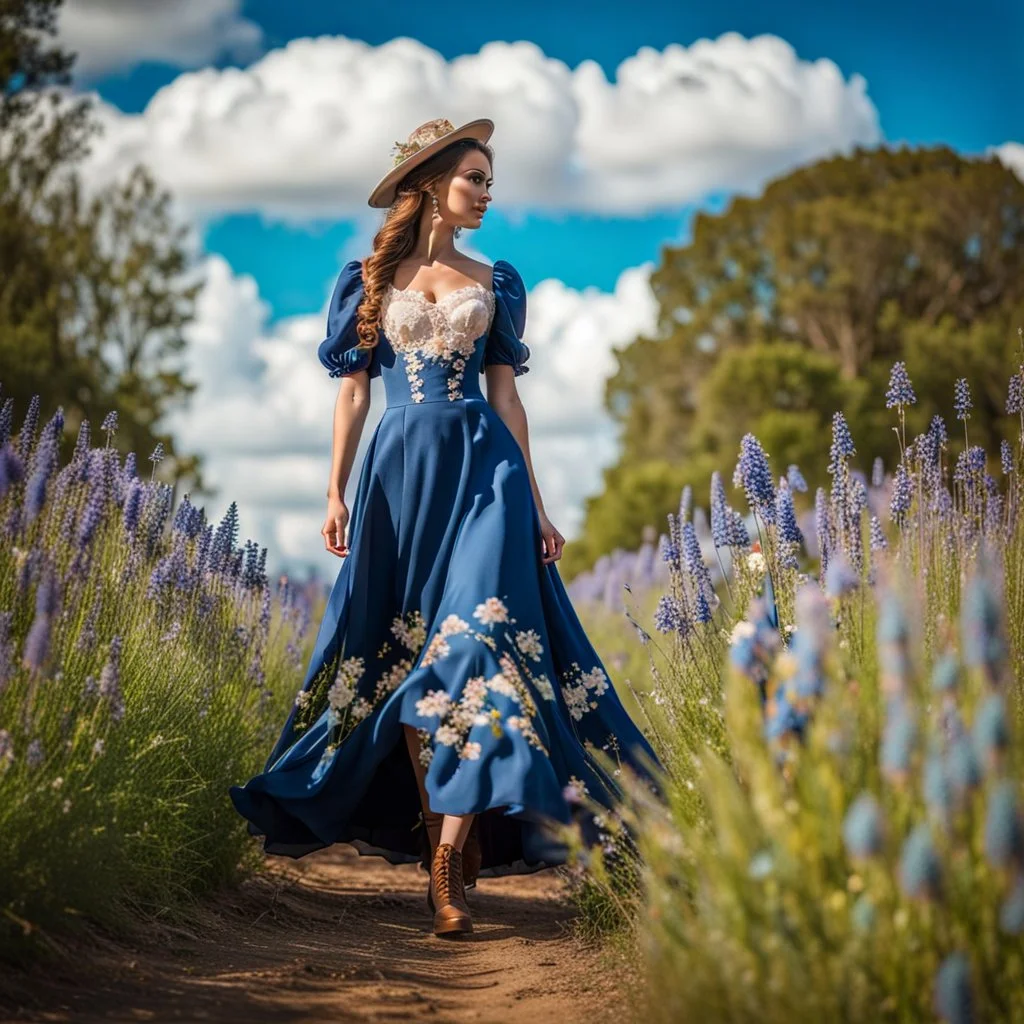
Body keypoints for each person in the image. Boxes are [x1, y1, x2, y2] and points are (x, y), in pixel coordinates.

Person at [230, 117, 662, 939]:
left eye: (491, 181)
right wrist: (334, 493)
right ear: (429, 184)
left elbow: (507, 396)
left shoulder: (495, 279)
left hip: (484, 471)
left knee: (475, 647)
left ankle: (446, 868)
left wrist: (533, 502)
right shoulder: (367, 280)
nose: (486, 194)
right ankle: (443, 842)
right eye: (474, 179)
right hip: (397, 480)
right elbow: (354, 392)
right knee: (398, 660)